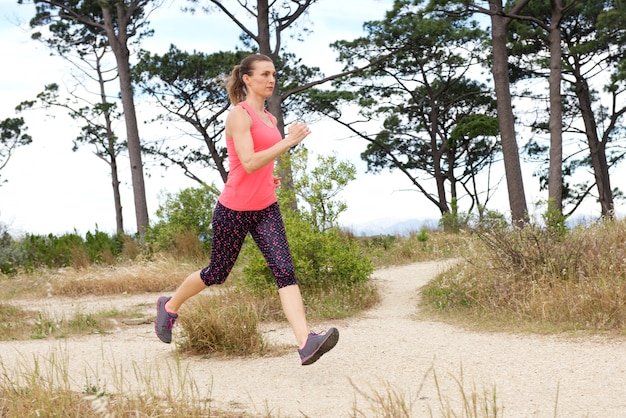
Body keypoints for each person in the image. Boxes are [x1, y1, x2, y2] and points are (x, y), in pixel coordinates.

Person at [154, 54, 339, 366]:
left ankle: (306, 343)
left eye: (274, 75)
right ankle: (169, 305)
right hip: (234, 210)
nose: (271, 80)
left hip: (265, 207)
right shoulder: (238, 116)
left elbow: (259, 165)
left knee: (285, 271)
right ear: (247, 79)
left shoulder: (270, 119)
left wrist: (271, 177)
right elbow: (249, 161)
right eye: (264, 74)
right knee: (217, 273)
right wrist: (289, 142)